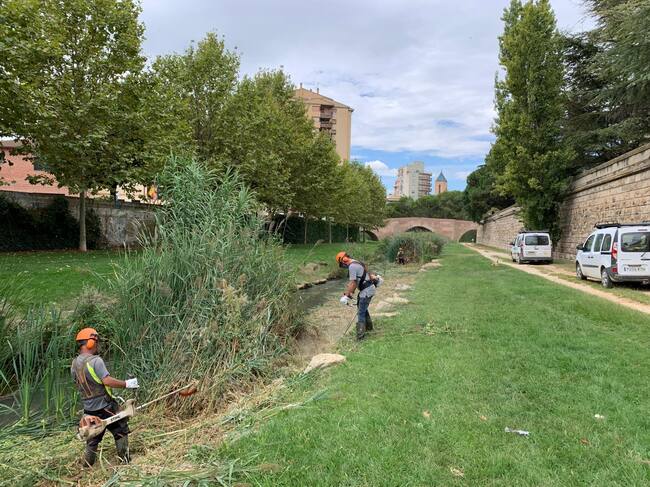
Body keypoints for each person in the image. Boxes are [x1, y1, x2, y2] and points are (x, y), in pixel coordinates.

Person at [71, 327, 140, 466]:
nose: (97, 345)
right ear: (90, 343)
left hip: (89, 409)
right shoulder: (96, 361)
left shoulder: (74, 364)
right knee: (120, 429)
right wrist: (127, 384)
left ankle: (88, 465)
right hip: (105, 406)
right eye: (96, 342)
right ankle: (125, 461)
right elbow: (107, 381)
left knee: (92, 435)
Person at [336, 251, 382, 340]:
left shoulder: (352, 266)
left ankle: (360, 336)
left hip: (367, 290)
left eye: (341, 264)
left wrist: (346, 296)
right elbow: (355, 282)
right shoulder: (357, 262)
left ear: (344, 260)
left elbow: (353, 283)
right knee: (362, 308)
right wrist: (348, 293)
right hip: (368, 288)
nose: (343, 266)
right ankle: (369, 327)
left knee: (360, 312)